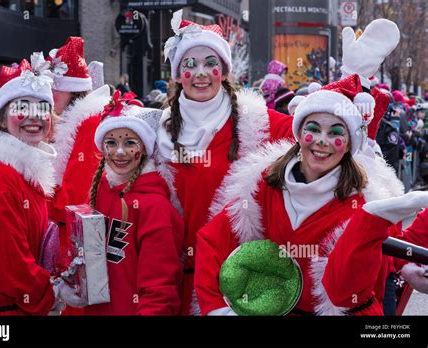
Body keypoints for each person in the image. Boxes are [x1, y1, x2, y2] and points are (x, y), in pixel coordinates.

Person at [194, 74, 428, 316]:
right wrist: (219, 309)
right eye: (313, 129)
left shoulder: (364, 203)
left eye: (335, 132)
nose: (321, 141)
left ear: (349, 144)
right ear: (298, 133)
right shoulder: (261, 185)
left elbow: (357, 288)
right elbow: (213, 242)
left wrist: (371, 225)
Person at [156, 9, 294, 314]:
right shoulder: (157, 131)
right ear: (178, 74)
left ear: (225, 70)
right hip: (178, 284)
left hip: (241, 283)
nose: (201, 73)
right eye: (190, 64)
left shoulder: (256, 123)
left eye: (211, 63)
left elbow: (312, 138)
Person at [0, 56, 69, 315]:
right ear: (2, 120)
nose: (34, 117)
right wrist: (50, 292)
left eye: (42, 109)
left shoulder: (23, 171)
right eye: (22, 107)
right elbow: (4, 263)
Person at [73, 93, 184, 315]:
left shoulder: (155, 207)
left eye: (130, 142)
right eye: (111, 142)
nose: (120, 151)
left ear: (144, 148)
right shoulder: (99, 191)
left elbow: (160, 290)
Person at [45, 37, 111, 272]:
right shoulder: (71, 123)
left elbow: (78, 198)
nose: (49, 94)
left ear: (72, 91)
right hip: (73, 232)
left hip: (78, 237)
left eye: (55, 88)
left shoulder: (88, 123)